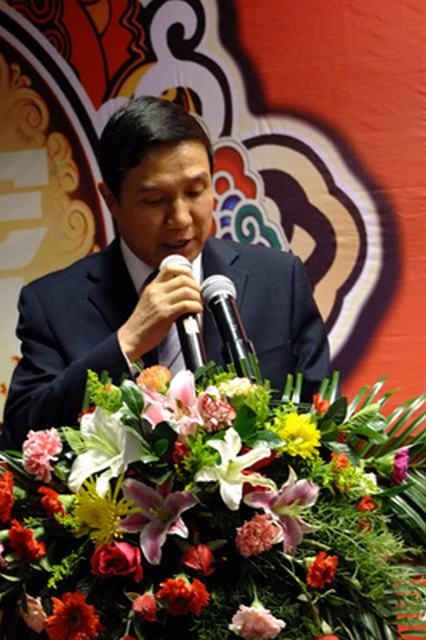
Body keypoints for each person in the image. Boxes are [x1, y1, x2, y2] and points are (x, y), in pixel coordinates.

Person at [1, 96, 329, 449]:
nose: (181, 218)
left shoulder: (279, 281)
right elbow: (21, 438)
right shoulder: (52, 304)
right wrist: (127, 343)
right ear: (110, 200)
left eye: (195, 191)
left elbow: (325, 428)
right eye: (155, 200)